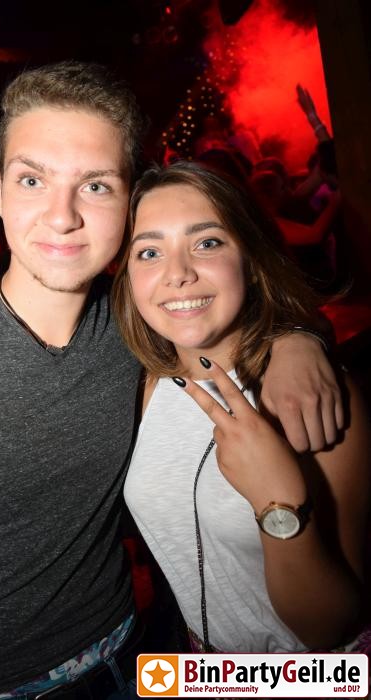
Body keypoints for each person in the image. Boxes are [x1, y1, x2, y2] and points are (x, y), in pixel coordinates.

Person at [0, 62, 345, 699]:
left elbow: (238, 307)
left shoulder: (139, 325)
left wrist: (298, 340)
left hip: (140, 654)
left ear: (128, 203)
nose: (62, 217)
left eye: (95, 186)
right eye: (32, 180)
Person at [113, 161, 370, 654]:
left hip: (313, 678)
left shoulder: (312, 397)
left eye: (207, 243)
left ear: (250, 259)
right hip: (205, 668)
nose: (178, 274)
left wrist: (277, 501)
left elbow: (330, 628)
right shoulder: (146, 383)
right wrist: (304, 334)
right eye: (149, 252)